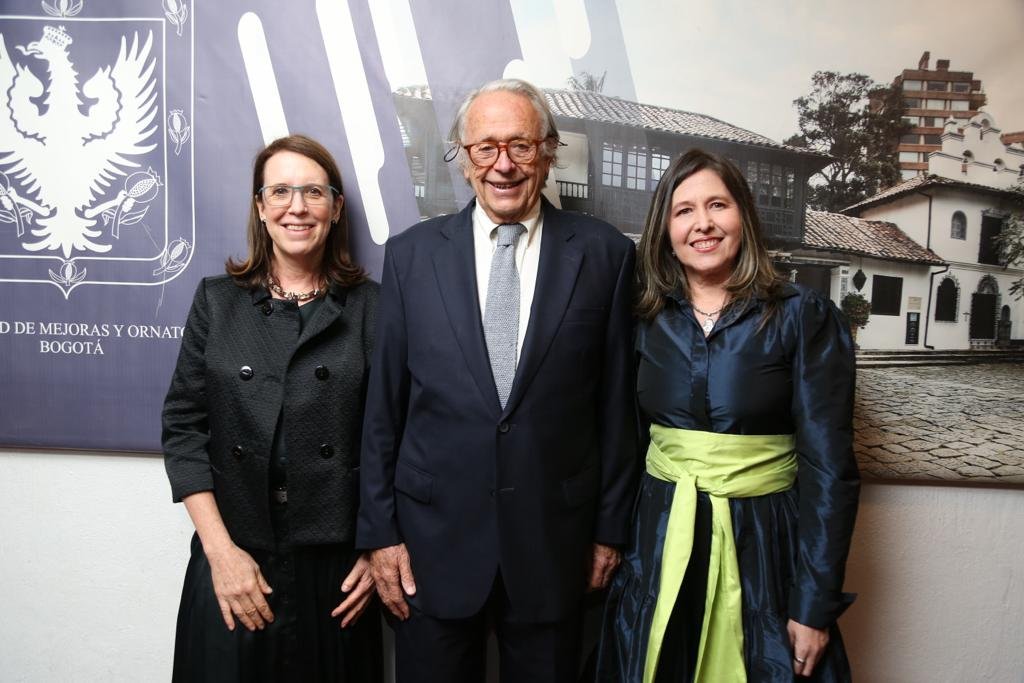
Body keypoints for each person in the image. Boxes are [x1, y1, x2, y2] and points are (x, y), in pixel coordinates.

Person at [357, 78, 637, 682]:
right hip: (430, 547)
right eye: (485, 148)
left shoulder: (606, 255)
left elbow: (617, 409)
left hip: (556, 544)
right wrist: (381, 536)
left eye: (520, 145)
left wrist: (610, 532)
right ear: (462, 159)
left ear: (549, 151)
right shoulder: (411, 256)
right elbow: (385, 409)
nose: (503, 165)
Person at [595, 149, 859, 682]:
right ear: (664, 228)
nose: (703, 223)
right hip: (659, 541)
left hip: (764, 548)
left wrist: (814, 603)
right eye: (684, 210)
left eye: (718, 205)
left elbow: (829, 469)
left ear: (745, 217)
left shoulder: (801, 315)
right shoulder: (642, 318)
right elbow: (619, 440)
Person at [162, 134, 381, 682]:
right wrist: (221, 553)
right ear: (260, 209)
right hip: (237, 550)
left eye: (312, 192)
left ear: (335, 209)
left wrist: (379, 549)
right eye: (280, 191)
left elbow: (394, 438)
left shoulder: (372, 308)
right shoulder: (218, 300)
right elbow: (183, 428)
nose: (297, 207)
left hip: (336, 562)